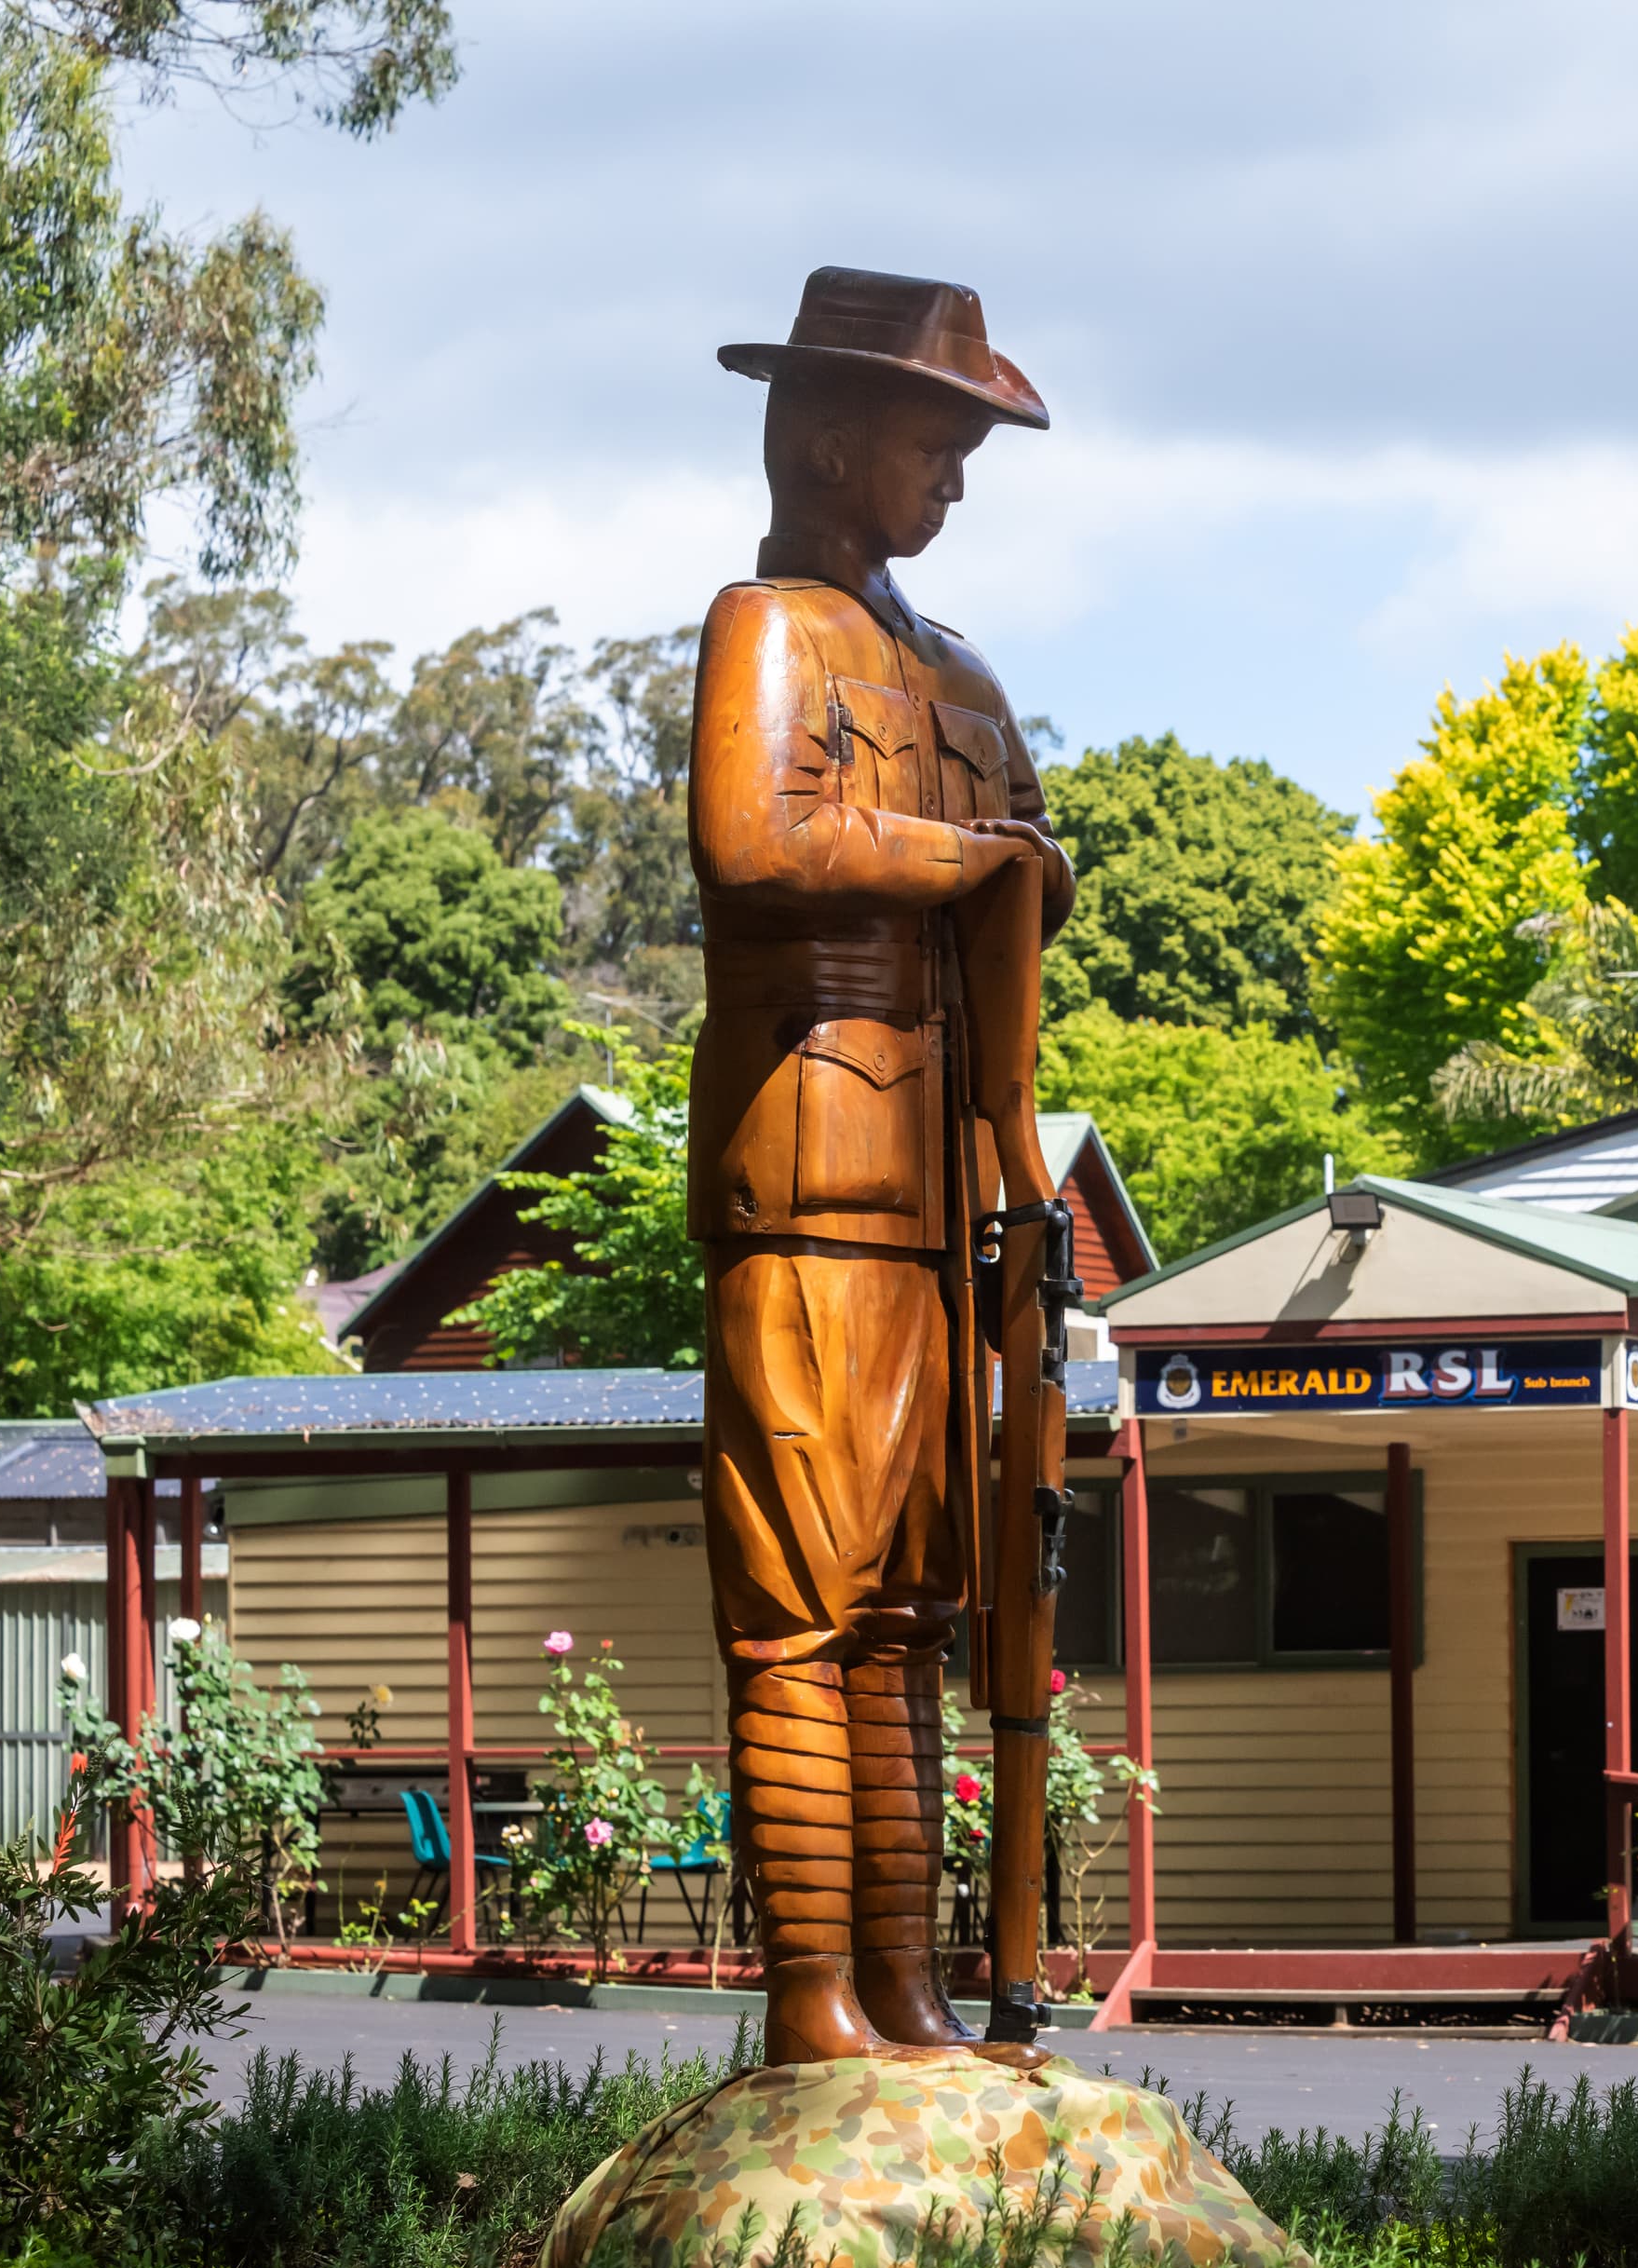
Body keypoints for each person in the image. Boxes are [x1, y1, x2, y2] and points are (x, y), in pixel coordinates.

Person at [687, 270, 1071, 2062]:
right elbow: (755, 841)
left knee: (914, 1611)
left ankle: (908, 1981)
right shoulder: (764, 630)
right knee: (800, 1604)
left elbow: (1033, 882)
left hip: (940, 1197)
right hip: (804, 1179)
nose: (956, 484)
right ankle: (809, 1994)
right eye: (936, 443)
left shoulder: (962, 674)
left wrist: (1012, 878)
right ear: (834, 441)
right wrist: (965, 859)